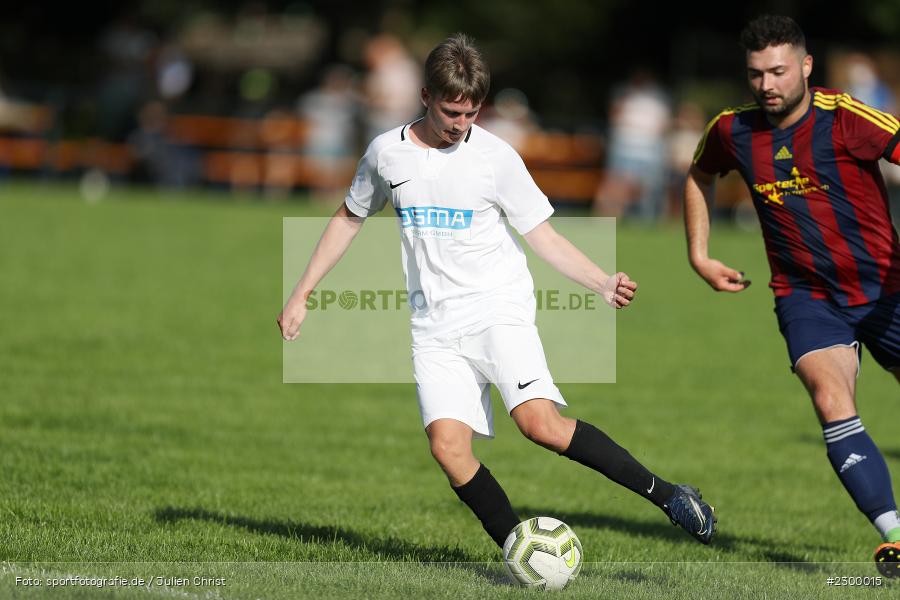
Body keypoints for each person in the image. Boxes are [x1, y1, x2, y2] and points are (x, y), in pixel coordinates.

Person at [280, 34, 716, 552]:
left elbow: (542, 235)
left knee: (540, 425)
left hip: (496, 309)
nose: (461, 124)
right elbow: (348, 218)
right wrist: (301, 292)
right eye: (451, 113)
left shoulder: (495, 157)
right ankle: (520, 550)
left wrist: (601, 281)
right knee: (448, 449)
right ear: (425, 96)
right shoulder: (386, 154)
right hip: (433, 326)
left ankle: (668, 495)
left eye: (471, 113)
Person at [684, 15, 900, 576]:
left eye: (778, 71)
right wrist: (699, 254)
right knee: (831, 400)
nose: (767, 85)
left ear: (805, 66)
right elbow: (699, 174)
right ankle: (895, 534)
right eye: (756, 74)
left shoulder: (846, 117)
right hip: (807, 297)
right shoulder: (732, 129)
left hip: (886, 289)